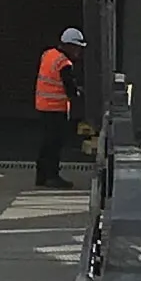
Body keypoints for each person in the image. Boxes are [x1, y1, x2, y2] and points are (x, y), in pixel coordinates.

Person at [33, 25, 87, 190]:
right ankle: (52, 176)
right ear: (70, 46)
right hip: (56, 109)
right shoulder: (64, 63)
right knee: (55, 144)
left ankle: (41, 176)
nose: (79, 52)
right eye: (77, 48)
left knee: (46, 143)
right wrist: (79, 93)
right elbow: (69, 88)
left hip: (43, 106)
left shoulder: (48, 54)